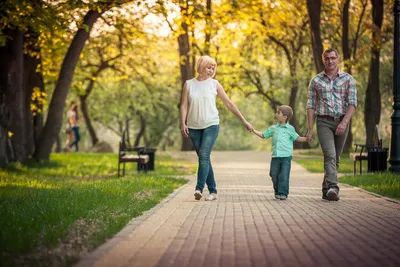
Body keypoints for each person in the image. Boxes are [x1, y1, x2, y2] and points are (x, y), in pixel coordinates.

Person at [179, 55, 253, 201]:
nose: (211, 70)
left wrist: (244, 120)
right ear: (200, 67)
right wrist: (183, 123)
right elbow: (184, 105)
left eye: (213, 68)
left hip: (211, 124)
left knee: (204, 155)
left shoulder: (215, 84)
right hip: (193, 127)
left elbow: (229, 103)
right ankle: (213, 191)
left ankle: (199, 188)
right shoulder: (189, 84)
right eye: (209, 67)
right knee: (203, 158)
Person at [306, 48, 357, 201]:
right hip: (323, 122)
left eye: (333, 58)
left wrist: (344, 122)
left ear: (338, 59)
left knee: (336, 158)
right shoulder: (316, 81)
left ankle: (326, 188)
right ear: (323, 60)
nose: (330, 61)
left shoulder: (348, 79)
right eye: (327, 58)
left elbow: (353, 103)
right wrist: (310, 129)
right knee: (330, 155)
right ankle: (333, 187)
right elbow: (311, 106)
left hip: (342, 121)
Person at [252, 105, 309, 200]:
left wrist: (307, 139)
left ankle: (283, 193)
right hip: (275, 157)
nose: (276, 114)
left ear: (285, 117)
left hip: (286, 157)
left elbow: (297, 138)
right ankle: (277, 190)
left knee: (284, 175)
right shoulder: (273, 128)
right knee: (273, 174)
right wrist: (253, 130)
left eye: (278, 112)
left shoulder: (290, 129)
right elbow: (263, 135)